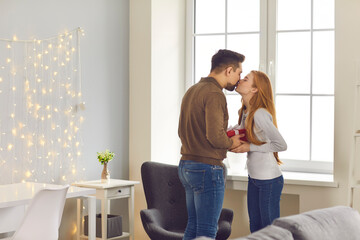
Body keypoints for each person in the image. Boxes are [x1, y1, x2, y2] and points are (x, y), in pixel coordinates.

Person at [178, 49, 245, 239]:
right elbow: (215, 137)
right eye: (239, 73)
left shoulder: (192, 90)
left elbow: (181, 131)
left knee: (193, 226)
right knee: (207, 230)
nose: (239, 79)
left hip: (186, 166)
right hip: (207, 169)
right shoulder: (215, 94)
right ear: (229, 70)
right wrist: (231, 142)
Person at [230, 70, 287, 233]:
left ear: (254, 89)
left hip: (269, 180)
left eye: (246, 79)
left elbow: (281, 145)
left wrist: (249, 147)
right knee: (255, 227)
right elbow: (242, 134)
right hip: (254, 177)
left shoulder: (260, 114)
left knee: (270, 230)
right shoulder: (244, 112)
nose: (240, 80)